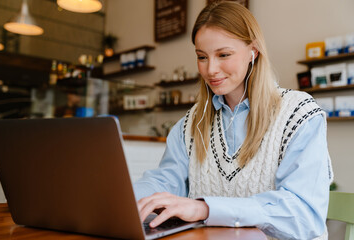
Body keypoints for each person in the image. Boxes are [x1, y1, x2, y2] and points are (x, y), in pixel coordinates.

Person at [134, 1, 333, 239]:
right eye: (202, 57)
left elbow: (303, 215)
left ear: (253, 51)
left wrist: (206, 208)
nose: (211, 70)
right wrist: (124, 200)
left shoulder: (299, 114)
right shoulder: (189, 125)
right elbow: (165, 180)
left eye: (224, 54)